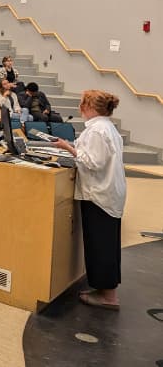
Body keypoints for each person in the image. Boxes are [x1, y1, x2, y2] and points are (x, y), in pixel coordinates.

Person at [50, 90, 126, 310]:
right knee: (104, 243)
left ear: (89, 107)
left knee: (101, 244)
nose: (79, 108)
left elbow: (92, 162)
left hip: (99, 194)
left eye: (81, 104)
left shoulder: (97, 130)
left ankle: (109, 297)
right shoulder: (105, 127)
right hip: (106, 193)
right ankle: (104, 290)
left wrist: (68, 148)